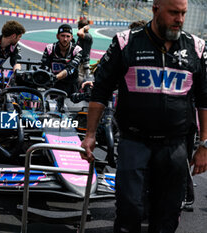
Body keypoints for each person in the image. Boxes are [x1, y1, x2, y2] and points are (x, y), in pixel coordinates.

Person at [80, 0, 207, 232]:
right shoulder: (126, 42)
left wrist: (204, 144)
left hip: (175, 146)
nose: (180, 19)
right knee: (130, 209)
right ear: (156, 9)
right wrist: (90, 134)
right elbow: (100, 91)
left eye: (183, 13)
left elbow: (205, 99)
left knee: (167, 215)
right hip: (133, 142)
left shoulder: (196, 47)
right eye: (174, 13)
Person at [40, 24, 83, 96]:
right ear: (57, 36)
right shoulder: (49, 48)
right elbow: (44, 67)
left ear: (71, 37)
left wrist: (55, 77)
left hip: (71, 85)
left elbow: (70, 68)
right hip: (55, 85)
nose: (65, 39)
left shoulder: (77, 50)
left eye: (68, 36)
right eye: (62, 36)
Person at [76, 18, 93, 85]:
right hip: (80, 61)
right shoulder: (82, 36)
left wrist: (84, 28)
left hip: (83, 62)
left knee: (80, 80)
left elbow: (79, 33)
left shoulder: (88, 36)